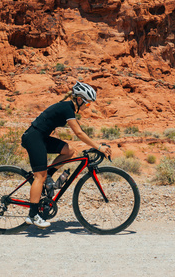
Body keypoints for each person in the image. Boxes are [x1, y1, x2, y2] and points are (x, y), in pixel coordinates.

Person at [21, 81, 112, 228]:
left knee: (69, 151)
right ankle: (32, 216)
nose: (87, 107)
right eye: (87, 103)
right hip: (33, 138)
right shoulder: (67, 108)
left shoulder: (68, 108)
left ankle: (48, 177)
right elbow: (79, 133)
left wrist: (97, 145)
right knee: (39, 176)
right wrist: (98, 147)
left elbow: (79, 132)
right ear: (79, 99)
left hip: (41, 137)